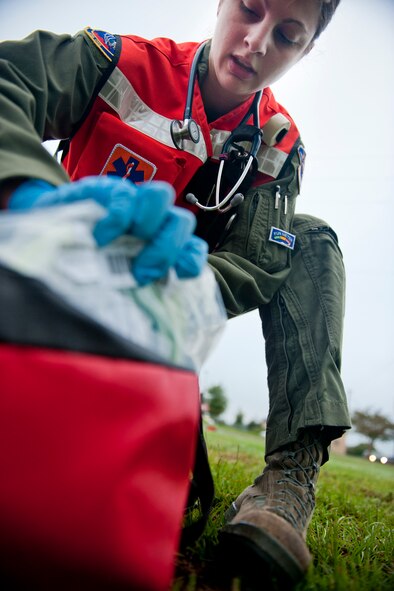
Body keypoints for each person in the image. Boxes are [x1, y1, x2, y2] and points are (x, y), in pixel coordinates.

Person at [0, 0, 351, 587]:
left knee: (308, 236)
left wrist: (181, 282)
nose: (257, 42)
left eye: (288, 36)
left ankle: (289, 480)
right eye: (250, 9)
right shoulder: (114, 62)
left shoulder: (278, 145)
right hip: (45, 293)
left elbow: (259, 260)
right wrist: (33, 195)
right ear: (221, 3)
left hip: (150, 334)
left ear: (306, 51)